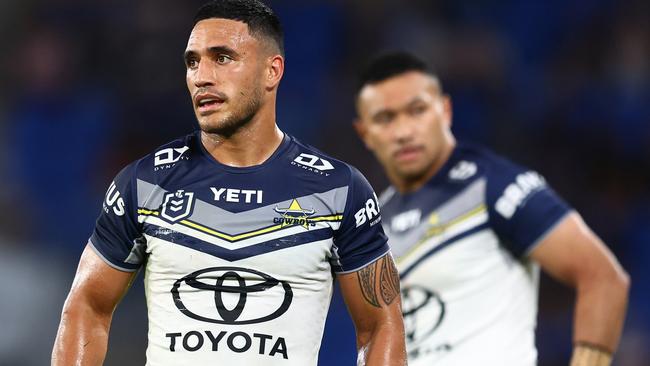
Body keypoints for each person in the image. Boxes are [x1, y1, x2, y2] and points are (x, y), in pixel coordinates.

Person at [51, 1, 407, 365]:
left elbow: (380, 326)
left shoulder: (339, 191)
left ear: (272, 71)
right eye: (193, 61)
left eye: (222, 58)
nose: (202, 76)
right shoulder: (143, 184)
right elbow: (87, 306)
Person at [353, 52, 630, 366]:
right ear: (365, 133)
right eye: (386, 118)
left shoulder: (492, 185)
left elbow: (603, 277)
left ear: (444, 111)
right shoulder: (372, 220)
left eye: (417, 111)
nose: (404, 131)